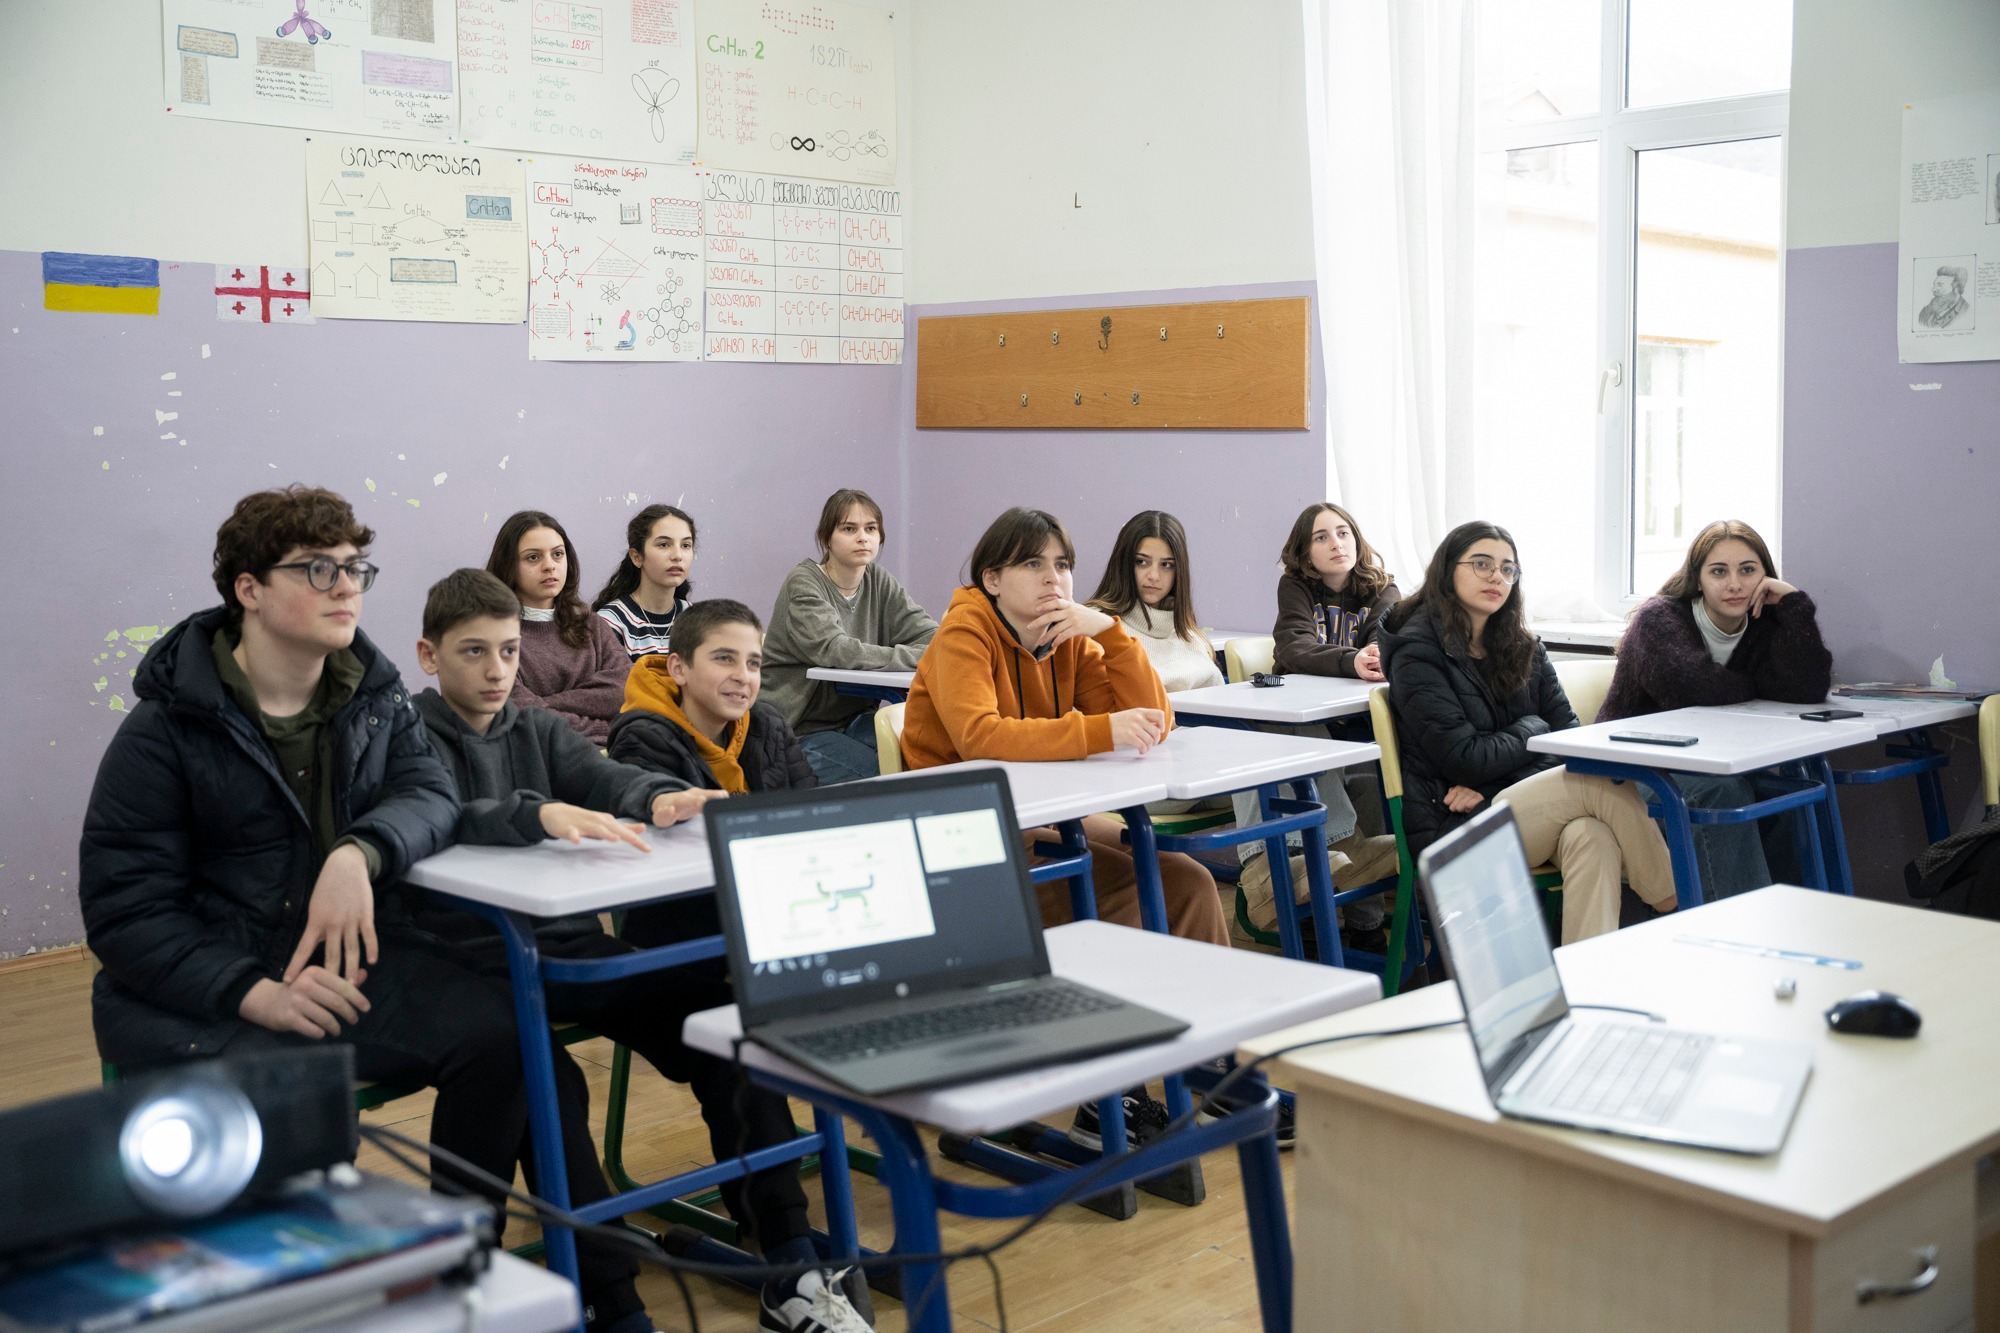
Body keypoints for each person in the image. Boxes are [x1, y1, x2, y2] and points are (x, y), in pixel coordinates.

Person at [76, 487, 659, 1333]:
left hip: (348, 963)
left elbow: (428, 795)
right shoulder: (166, 730)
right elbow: (125, 911)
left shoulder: (371, 697)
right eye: (319, 569)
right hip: (210, 994)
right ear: (248, 589)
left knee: (505, 1039)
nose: (347, 585)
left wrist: (360, 851)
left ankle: (461, 1276)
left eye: (355, 567)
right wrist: (254, 989)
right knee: (302, 1117)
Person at [411, 569, 873, 1333]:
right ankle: (611, 1298)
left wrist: (658, 795)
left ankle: (788, 1257)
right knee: (541, 1076)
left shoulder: (534, 727)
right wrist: (537, 814)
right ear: (429, 655)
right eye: (474, 652)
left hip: (567, 948)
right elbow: (434, 811)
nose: (497, 670)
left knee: (726, 1029)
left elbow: (603, 774)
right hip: (466, 964)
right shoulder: (406, 733)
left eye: (508, 651)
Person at [899, 507, 1228, 949]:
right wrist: (1101, 731)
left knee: (1190, 881)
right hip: (963, 823)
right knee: (1131, 892)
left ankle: (1208, 994)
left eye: (1063, 565)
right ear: (992, 579)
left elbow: (1156, 721)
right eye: (1033, 564)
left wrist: (1111, 634)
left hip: (1045, 811)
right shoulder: (963, 632)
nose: (1053, 579)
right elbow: (980, 737)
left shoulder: (1067, 636)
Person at [1381, 520, 1678, 943]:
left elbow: (1571, 740)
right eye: (1481, 564)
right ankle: (1673, 902)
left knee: (1591, 837)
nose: (1496, 577)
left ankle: (1583, 979)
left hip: (1498, 805)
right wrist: (1534, 729)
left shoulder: (1525, 647)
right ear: (1447, 570)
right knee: (1601, 782)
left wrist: (1494, 783)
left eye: (1507, 569)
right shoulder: (1418, 653)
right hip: (1450, 831)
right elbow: (1464, 758)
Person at [1598, 520, 1833, 898]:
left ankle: (1791, 922)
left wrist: (1794, 605)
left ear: (1765, 575)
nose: (1734, 584)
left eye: (1748, 570)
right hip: (1630, 776)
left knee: (1790, 795)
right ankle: (1742, 928)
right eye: (1719, 572)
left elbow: (1806, 690)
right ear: (1698, 579)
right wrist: (1758, 684)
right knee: (1725, 794)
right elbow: (1694, 690)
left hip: (1704, 769)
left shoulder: (1762, 622)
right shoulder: (1658, 620)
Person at [607, 599, 817, 952]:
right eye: (724, 659)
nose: (743, 676)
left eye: (753, 663)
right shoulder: (643, 739)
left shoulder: (768, 724)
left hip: (777, 907)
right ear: (679, 669)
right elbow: (670, 864)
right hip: (690, 934)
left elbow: (811, 812)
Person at [1238, 504, 1402, 948]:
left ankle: (1366, 926)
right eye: (1321, 537)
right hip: (1300, 722)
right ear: (1304, 551)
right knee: (1295, 758)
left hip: (1357, 724)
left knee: (1367, 779)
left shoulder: (1383, 589)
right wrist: (1352, 661)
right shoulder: (1295, 586)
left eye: (1344, 533)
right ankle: (1305, 908)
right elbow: (1293, 647)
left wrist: (1366, 657)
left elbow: (1383, 646)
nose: (1336, 544)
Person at [761, 488, 936, 784]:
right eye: (849, 529)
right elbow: (836, 650)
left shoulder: (878, 580)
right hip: (798, 730)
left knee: (926, 756)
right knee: (888, 774)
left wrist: (934, 650)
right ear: (827, 538)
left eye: (871, 529)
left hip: (853, 720)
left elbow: (932, 634)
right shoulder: (804, 582)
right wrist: (920, 656)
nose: (863, 538)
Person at [485, 510, 631, 744]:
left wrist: (545, 703)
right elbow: (522, 718)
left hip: (613, 755)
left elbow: (625, 692)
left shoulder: (593, 626)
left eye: (557, 554)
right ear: (508, 565)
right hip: (540, 757)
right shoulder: (493, 637)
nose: (549, 566)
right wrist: (604, 728)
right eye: (533, 557)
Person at [1084, 510, 1223, 694]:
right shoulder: (1095, 624)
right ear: (1123, 564)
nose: (1154, 576)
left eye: (1166, 565)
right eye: (1141, 562)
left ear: (1179, 571)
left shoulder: (1191, 635)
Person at [593, 504, 698, 660]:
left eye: (685, 545)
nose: (678, 555)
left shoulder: (697, 619)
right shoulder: (611, 622)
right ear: (637, 557)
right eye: (664, 545)